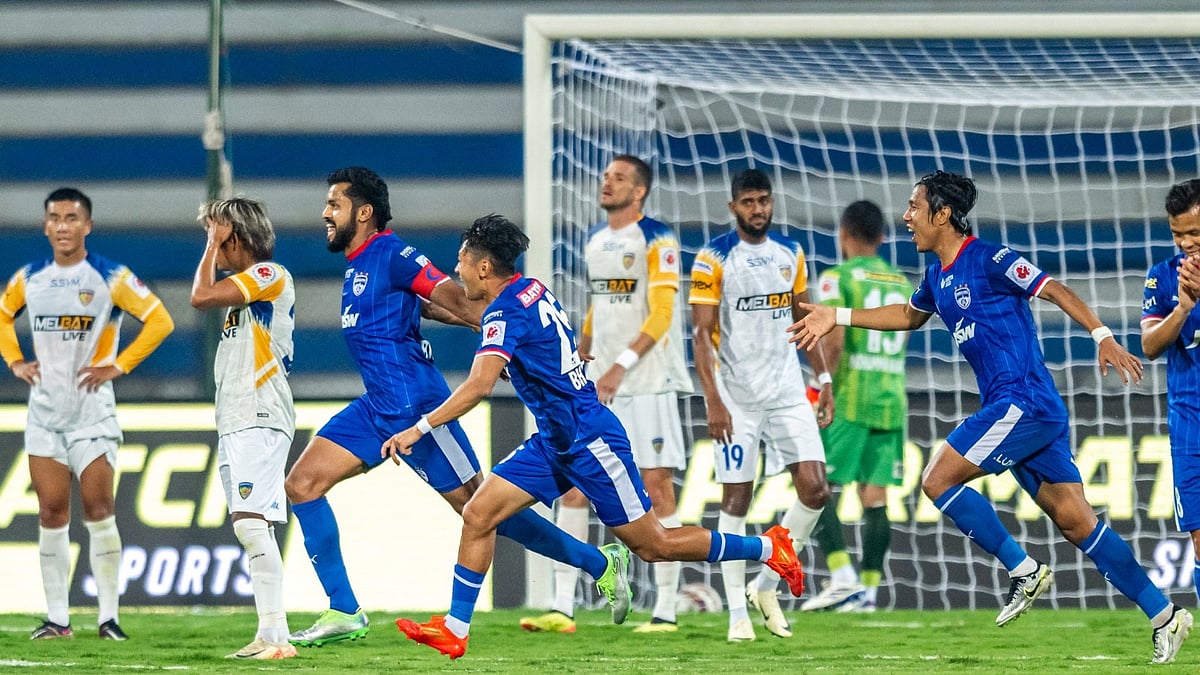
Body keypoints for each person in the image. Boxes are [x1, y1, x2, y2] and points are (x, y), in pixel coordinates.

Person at [791, 169, 1192, 664]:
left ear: (942, 214)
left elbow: (1054, 289)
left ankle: (1022, 569)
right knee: (1076, 522)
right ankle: (1165, 615)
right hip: (1025, 410)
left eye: (915, 207)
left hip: (1022, 401)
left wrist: (1102, 335)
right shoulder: (938, 276)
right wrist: (838, 315)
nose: (905, 217)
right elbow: (907, 317)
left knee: (937, 480)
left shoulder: (990, 259)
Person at [386, 214, 805, 660]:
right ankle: (456, 628)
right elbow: (495, 326)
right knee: (479, 513)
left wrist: (418, 428)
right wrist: (433, 311)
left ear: (484, 267)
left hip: (590, 441)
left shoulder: (507, 312)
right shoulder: (529, 290)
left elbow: (478, 386)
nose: (457, 271)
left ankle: (767, 546)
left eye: (462, 261)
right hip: (554, 440)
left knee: (653, 545)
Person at [285, 167, 624, 647]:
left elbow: (464, 303)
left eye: (334, 204)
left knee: (481, 510)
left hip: (416, 405)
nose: (325, 212)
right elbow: (427, 309)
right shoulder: (359, 263)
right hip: (375, 407)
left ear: (363, 213)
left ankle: (599, 563)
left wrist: (515, 350)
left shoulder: (394, 255)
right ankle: (344, 610)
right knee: (301, 484)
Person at [520, 155, 693, 635]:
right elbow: (597, 310)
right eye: (605, 176)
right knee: (573, 485)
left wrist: (618, 368)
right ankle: (562, 607)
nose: (606, 182)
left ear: (638, 192)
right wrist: (580, 359)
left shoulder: (657, 238)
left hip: (648, 383)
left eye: (618, 178)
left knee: (657, 487)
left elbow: (660, 316)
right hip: (600, 387)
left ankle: (666, 609)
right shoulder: (597, 241)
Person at [0, 187, 175, 640]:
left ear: (87, 225)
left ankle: (108, 618)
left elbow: (160, 320)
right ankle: (59, 620)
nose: (62, 225)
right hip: (44, 414)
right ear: (45, 226)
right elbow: (1, 317)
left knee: (100, 512)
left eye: (72, 217)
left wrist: (118, 366)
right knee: (51, 514)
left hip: (92, 415)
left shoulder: (109, 277)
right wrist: (15, 361)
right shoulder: (29, 278)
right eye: (55, 218)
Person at [688, 168, 833, 641]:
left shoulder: (790, 254)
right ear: (733, 207)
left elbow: (805, 320)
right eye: (748, 202)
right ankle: (736, 615)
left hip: (788, 391)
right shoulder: (712, 259)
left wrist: (824, 377)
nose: (758, 209)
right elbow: (701, 335)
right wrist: (714, 399)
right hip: (738, 398)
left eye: (764, 200)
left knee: (816, 491)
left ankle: (766, 583)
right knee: (736, 499)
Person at [189, 197, 297, 659]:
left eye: (218, 237)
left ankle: (275, 639)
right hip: (238, 417)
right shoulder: (245, 293)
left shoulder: (270, 275)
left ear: (234, 237)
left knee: (252, 526)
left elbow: (198, 297)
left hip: (260, 414)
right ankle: (272, 634)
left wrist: (210, 246)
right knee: (252, 526)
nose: (216, 247)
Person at [800, 200, 912, 613]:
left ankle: (843, 578)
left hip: (848, 395)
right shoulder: (902, 282)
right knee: (876, 496)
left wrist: (822, 381)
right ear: (882, 237)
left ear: (843, 234)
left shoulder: (836, 277)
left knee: (817, 486)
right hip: (889, 395)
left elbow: (834, 337)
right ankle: (868, 592)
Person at [1143, 178, 1200, 615]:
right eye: (1177, 234)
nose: (1184, 244)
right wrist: (1182, 307)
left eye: (1193, 234)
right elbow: (1148, 345)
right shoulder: (1163, 277)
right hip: (1190, 423)